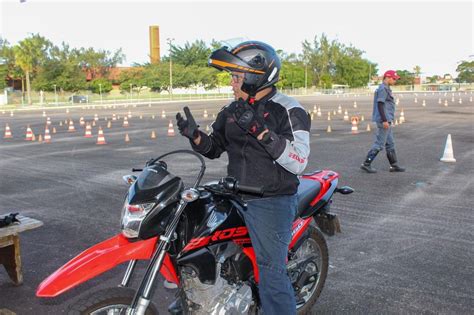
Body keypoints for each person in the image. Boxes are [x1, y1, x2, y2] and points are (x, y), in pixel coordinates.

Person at [175, 41, 311, 314]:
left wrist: (260, 131)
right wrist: (195, 136)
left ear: (255, 77)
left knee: (272, 273)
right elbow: (215, 147)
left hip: (271, 199)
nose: (232, 83)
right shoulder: (233, 109)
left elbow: (299, 161)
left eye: (236, 77)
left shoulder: (288, 110)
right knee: (188, 237)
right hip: (235, 193)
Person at [361, 70, 405, 173]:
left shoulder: (387, 88)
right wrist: (385, 120)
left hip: (387, 119)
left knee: (390, 143)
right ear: (387, 77)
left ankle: (394, 165)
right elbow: (380, 104)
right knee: (380, 144)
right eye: (394, 79)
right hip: (383, 120)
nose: (395, 81)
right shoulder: (383, 89)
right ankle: (366, 163)